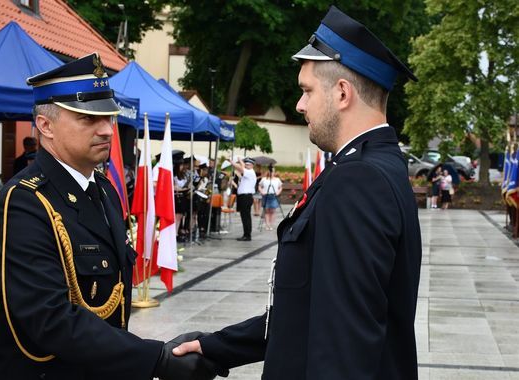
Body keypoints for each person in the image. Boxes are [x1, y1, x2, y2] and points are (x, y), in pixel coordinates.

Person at [172, 6, 422, 380]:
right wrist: (216, 346)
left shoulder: (357, 181)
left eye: (306, 91)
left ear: (341, 93)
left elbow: (343, 347)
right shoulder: (374, 166)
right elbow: (306, 311)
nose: (299, 105)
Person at [0, 53, 224, 380]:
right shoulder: (24, 202)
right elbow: (49, 320)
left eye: (108, 117)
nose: (107, 130)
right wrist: (157, 359)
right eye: (87, 119)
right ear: (45, 125)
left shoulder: (105, 190)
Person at [233, 157, 256, 241]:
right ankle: (246, 234)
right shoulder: (247, 173)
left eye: (248, 164)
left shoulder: (250, 172)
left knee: (246, 216)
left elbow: (240, 168)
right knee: (244, 216)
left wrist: (233, 162)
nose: (246, 166)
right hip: (243, 197)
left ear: (252, 165)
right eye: (246, 164)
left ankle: (247, 235)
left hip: (246, 197)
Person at [259, 164, 283, 230]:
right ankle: (267, 224)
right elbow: (260, 186)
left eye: (272, 171)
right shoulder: (264, 179)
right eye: (270, 171)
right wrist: (262, 191)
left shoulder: (277, 180)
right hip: (266, 195)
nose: (271, 173)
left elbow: (280, 187)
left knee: (272, 211)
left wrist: (278, 192)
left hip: (274, 196)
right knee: (266, 211)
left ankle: (271, 224)